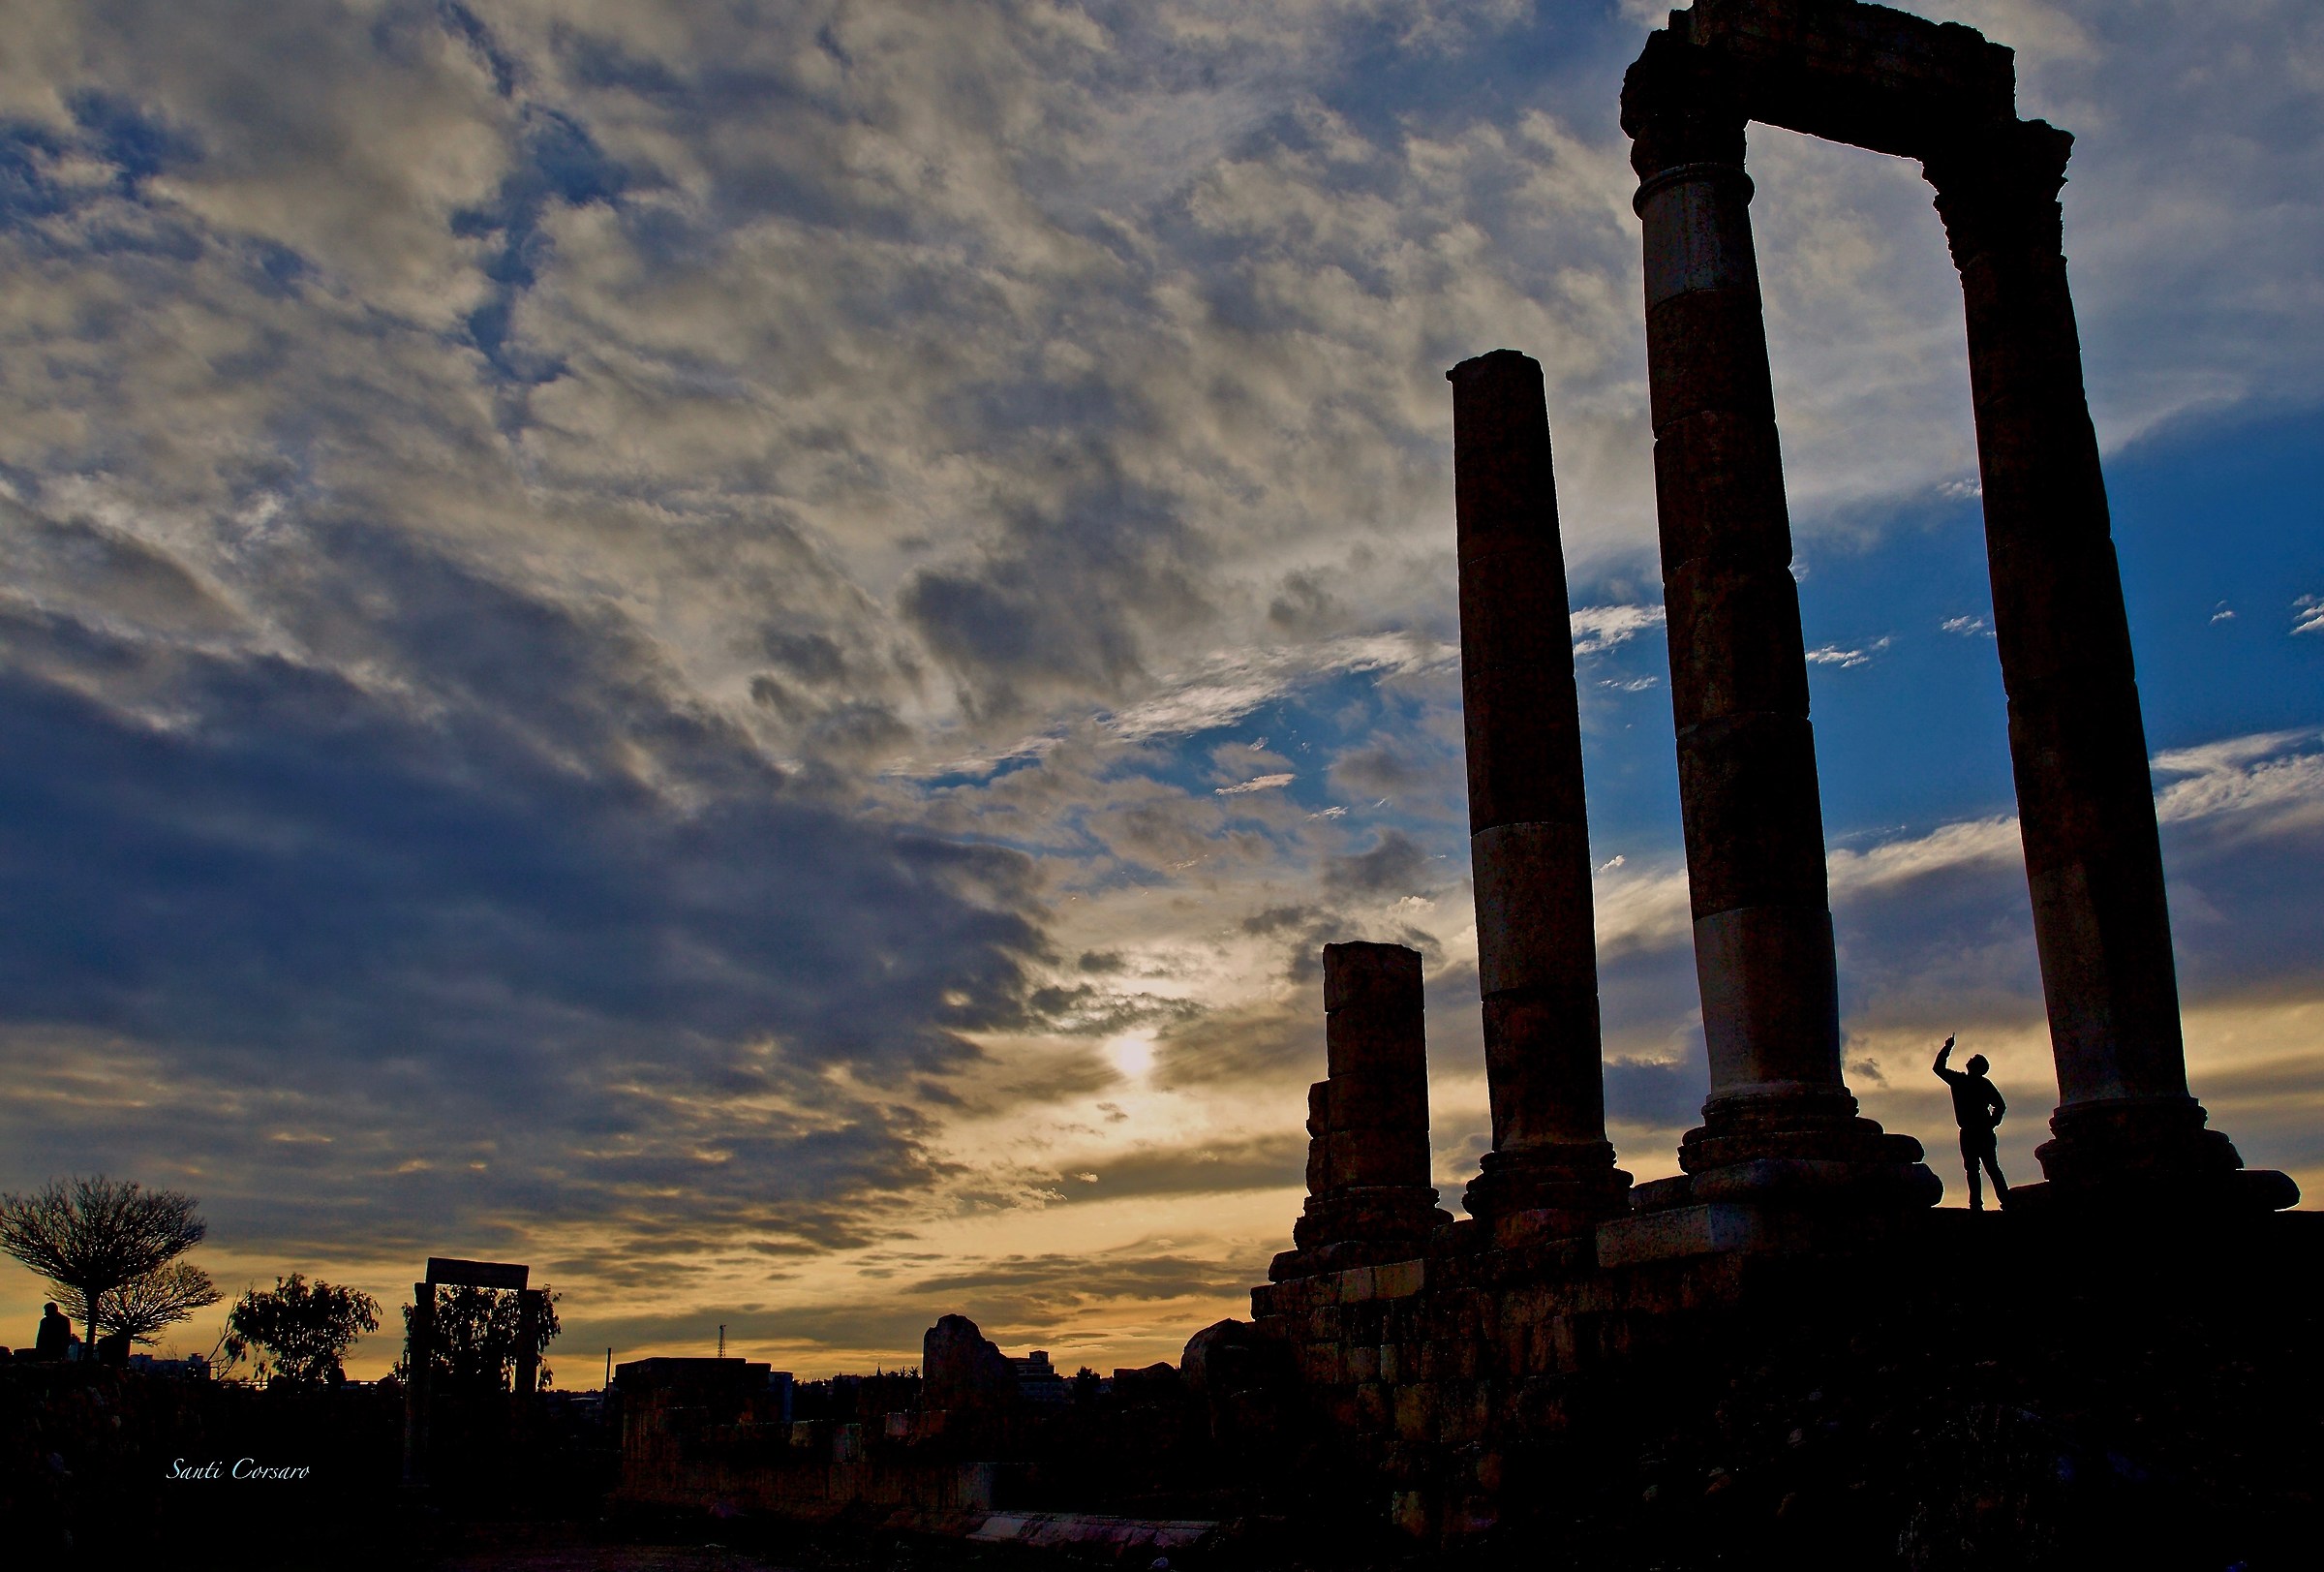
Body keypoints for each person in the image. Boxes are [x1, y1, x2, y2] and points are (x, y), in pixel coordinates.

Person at [1933, 1035, 2008, 1210]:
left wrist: (1991, 1123)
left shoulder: (1965, 1081)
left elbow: (2000, 1105)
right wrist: (1992, 1122)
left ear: (1976, 1067)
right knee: (1977, 1169)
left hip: (1978, 1131)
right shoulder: (1964, 1081)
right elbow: (1938, 1068)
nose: (1969, 1060)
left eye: (1973, 1060)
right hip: (1972, 1131)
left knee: (1986, 1168)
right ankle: (1980, 1203)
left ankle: (1999, 1201)